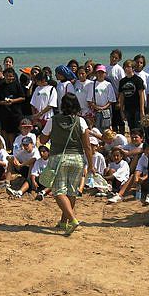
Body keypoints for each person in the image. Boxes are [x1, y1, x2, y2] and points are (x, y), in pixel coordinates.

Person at [39, 93, 94, 235]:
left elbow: (43, 140)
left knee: (58, 192)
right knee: (71, 191)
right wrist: (91, 165)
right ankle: (64, 222)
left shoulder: (53, 120)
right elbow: (87, 146)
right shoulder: (80, 121)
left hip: (58, 158)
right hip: (77, 158)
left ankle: (72, 220)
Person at [0, 67, 26, 148]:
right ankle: (6, 147)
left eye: (11, 76)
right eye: (7, 76)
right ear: (4, 76)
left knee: (14, 132)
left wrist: (13, 101)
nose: (9, 78)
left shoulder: (17, 85)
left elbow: (23, 97)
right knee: (4, 131)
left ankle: (12, 148)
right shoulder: (1, 86)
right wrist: (3, 102)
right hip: (4, 112)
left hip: (16, 112)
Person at [119, 59, 146, 132]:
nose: (126, 68)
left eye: (128, 67)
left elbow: (141, 96)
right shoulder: (122, 81)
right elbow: (121, 97)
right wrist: (121, 110)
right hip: (128, 108)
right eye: (125, 67)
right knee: (131, 127)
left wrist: (142, 110)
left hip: (137, 108)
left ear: (133, 68)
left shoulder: (138, 80)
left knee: (138, 127)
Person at [88, 65, 116, 131]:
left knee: (106, 128)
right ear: (96, 73)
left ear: (105, 74)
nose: (100, 74)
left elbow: (111, 100)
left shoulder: (108, 84)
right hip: (96, 110)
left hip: (106, 110)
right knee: (96, 129)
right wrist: (96, 107)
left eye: (102, 72)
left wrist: (103, 107)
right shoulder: (92, 84)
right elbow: (89, 99)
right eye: (99, 72)